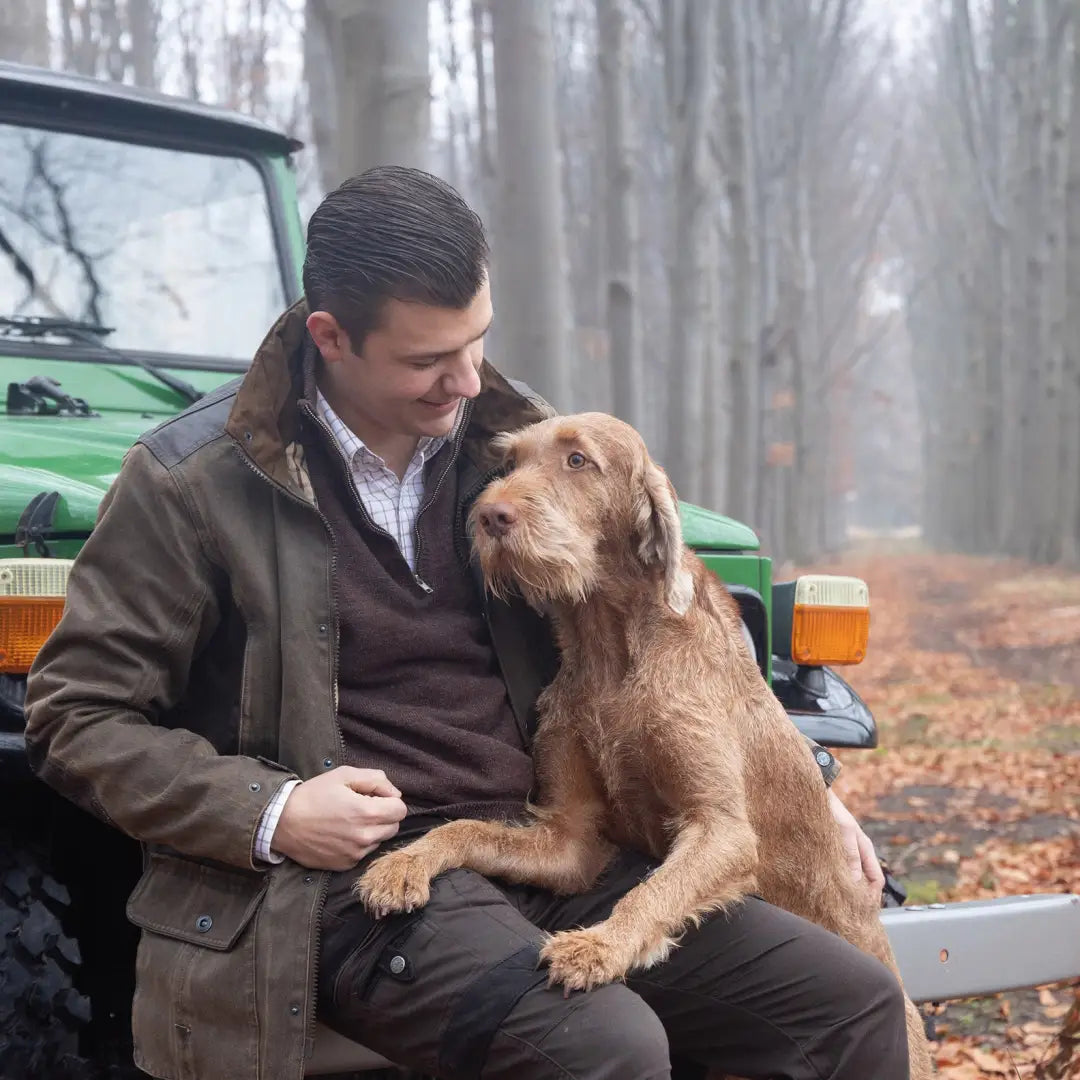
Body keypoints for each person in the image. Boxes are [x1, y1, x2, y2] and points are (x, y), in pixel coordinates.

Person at [25, 166, 908, 1080]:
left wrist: (803, 790)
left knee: (849, 1005)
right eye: (425, 361)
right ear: (330, 337)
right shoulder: (190, 484)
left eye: (477, 340)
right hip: (352, 882)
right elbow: (73, 719)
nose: (466, 379)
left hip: (551, 847)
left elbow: (678, 630)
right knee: (603, 1047)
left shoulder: (515, 441)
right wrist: (274, 810)